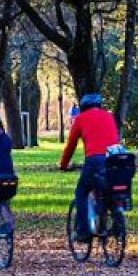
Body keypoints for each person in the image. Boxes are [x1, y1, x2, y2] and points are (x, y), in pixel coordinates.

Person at [58, 93, 120, 240]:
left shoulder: (80, 119)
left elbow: (71, 146)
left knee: (81, 193)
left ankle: (82, 232)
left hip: (95, 160)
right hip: (115, 158)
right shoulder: (109, 116)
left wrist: (63, 164)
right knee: (110, 190)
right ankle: (117, 224)